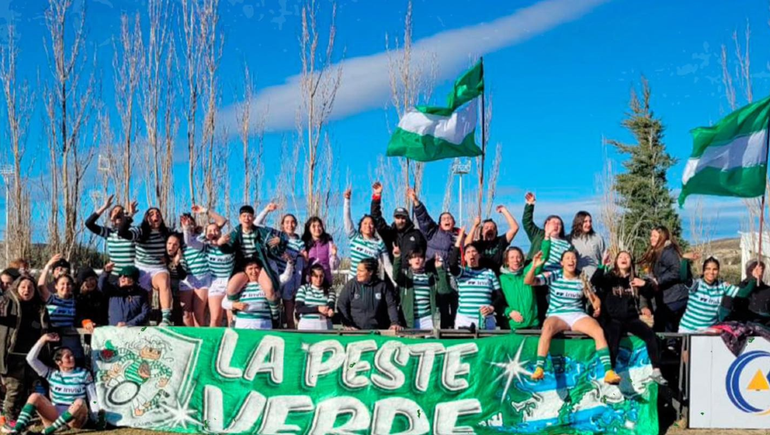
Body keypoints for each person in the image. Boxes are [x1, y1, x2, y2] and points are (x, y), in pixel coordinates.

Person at [524, 250, 620, 384]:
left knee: (598, 330)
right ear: (561, 263)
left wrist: (597, 307)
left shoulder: (582, 277)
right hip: (557, 314)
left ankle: (608, 371)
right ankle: (539, 368)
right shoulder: (554, 275)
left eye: (574, 258)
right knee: (547, 328)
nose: (571, 260)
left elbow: (594, 299)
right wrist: (533, 266)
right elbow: (529, 281)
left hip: (577, 314)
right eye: (568, 258)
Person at [591, 251, 667, 385]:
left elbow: (649, 293)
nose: (624, 259)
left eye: (627, 257)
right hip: (613, 318)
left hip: (630, 318)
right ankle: (610, 371)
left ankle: (656, 370)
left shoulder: (635, 279)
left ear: (631, 262)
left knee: (651, 335)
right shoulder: (610, 277)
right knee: (613, 338)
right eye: (620, 257)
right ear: (616, 262)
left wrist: (643, 284)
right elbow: (595, 281)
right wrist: (602, 266)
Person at [2, 334, 100, 435]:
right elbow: (31, 359)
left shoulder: (83, 373)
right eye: (68, 357)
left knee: (79, 402)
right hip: (55, 414)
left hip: (75, 418)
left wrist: (96, 417)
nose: (72, 358)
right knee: (35, 396)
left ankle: (46, 432)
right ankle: (16, 430)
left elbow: (92, 396)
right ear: (58, 362)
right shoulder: (51, 374)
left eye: (72, 355)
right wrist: (42, 340)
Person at [219, 205, 287, 317]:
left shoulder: (260, 231)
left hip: (259, 264)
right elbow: (228, 249)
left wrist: (281, 241)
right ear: (240, 218)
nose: (247, 218)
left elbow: (281, 238)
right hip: (243, 266)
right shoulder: (236, 232)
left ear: (253, 218)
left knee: (269, 289)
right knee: (231, 288)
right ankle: (236, 314)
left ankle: (275, 317)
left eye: (249, 216)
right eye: (244, 216)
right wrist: (220, 244)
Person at [0, 277, 48, 428]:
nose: (27, 290)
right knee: (14, 388)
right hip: (12, 354)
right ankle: (8, 420)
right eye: (23, 287)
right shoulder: (7, 302)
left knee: (29, 388)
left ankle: (22, 420)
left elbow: (46, 326)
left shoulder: (39, 307)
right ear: (16, 287)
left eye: (30, 287)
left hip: (33, 355)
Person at [118, 204, 174, 326]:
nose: (155, 216)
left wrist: (170, 258)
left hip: (158, 268)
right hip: (142, 268)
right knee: (144, 295)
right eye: (151, 214)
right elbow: (122, 233)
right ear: (146, 218)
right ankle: (144, 320)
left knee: (164, 281)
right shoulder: (140, 231)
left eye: (157, 214)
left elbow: (179, 243)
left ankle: (166, 318)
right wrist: (129, 216)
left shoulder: (167, 232)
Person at [256, 203, 306, 329]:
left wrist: (297, 285)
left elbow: (299, 266)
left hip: (290, 281)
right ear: (282, 224)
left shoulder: (300, 242)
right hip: (276, 278)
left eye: (293, 222)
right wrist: (266, 209)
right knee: (275, 313)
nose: (290, 224)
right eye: (287, 222)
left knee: (290, 316)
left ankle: (291, 341)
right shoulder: (276, 234)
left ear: (296, 224)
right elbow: (256, 224)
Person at [679, 256, 759, 333]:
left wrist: (754, 278)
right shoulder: (696, 284)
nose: (711, 272)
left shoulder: (722, 286)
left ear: (718, 271)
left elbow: (743, 293)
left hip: (707, 331)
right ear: (703, 271)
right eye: (708, 269)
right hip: (688, 330)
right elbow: (684, 278)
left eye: (715, 269)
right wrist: (685, 260)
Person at [184, 206, 233, 327]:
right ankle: (210, 342)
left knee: (231, 317)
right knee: (215, 318)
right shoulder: (205, 245)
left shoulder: (229, 242)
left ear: (220, 231)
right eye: (209, 231)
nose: (213, 232)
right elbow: (189, 242)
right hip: (215, 282)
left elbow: (222, 221)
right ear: (205, 234)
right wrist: (186, 228)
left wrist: (205, 211)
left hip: (231, 281)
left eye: (216, 230)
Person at [448, 228, 501, 330]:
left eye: (474, 251)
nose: (471, 254)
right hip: (465, 320)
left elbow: (499, 296)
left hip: (486, 319)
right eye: (468, 252)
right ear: (465, 257)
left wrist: (492, 307)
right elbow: (452, 265)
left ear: (479, 255)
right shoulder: (462, 272)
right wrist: (459, 241)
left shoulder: (489, 273)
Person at [640, 226, 689, 333]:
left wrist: (659, 280)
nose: (651, 238)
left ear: (662, 237)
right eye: (651, 235)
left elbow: (677, 271)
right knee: (668, 326)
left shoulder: (667, 252)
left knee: (660, 322)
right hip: (669, 297)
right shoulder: (659, 252)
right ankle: (670, 346)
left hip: (675, 297)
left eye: (654, 236)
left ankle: (666, 347)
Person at [222, 256, 293, 330]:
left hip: (263, 325)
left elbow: (286, 277)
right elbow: (224, 303)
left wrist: (290, 263)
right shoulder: (240, 287)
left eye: (256, 268)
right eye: (250, 268)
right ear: (245, 271)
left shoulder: (267, 284)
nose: (254, 272)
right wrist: (234, 305)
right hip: (243, 326)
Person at [392, 246, 450, 330]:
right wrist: (397, 258)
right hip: (409, 321)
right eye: (414, 257)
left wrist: (439, 269)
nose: (417, 259)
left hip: (428, 319)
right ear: (409, 261)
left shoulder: (431, 277)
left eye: (420, 257)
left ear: (424, 260)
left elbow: (445, 290)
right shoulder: (405, 276)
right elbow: (396, 276)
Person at [497, 241, 551, 330]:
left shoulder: (527, 273)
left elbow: (542, 257)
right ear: (506, 261)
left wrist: (547, 238)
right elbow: (496, 302)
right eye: (512, 257)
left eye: (518, 257)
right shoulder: (501, 279)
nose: (516, 260)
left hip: (533, 325)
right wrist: (508, 312)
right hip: (513, 327)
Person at [337, 258, 401, 331]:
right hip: (356, 331)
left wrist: (395, 322)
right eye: (357, 270)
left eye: (361, 271)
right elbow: (341, 304)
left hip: (378, 331)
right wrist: (347, 324)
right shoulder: (351, 285)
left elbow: (391, 305)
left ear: (370, 272)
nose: (357, 273)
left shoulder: (382, 286)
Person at [344, 188, 394, 281]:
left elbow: (387, 266)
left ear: (374, 227)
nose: (368, 226)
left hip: (371, 283)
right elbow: (347, 219)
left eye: (371, 224)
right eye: (365, 223)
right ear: (361, 227)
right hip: (354, 282)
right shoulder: (354, 237)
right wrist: (347, 200)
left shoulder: (379, 244)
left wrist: (395, 283)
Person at [84, 194, 137, 277]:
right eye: (115, 211)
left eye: (121, 212)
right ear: (111, 217)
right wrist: (105, 207)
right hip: (115, 275)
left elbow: (123, 231)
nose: (118, 213)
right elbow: (89, 223)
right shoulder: (109, 233)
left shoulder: (133, 231)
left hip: (130, 275)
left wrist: (129, 215)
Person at [370, 182, 427, 259]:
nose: (400, 220)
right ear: (394, 218)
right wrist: (377, 196)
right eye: (398, 217)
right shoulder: (389, 233)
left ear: (407, 218)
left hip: (411, 270)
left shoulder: (416, 234)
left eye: (403, 218)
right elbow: (376, 217)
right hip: (392, 270)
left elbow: (424, 253)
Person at [465, 205, 520, 273]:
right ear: (482, 232)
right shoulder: (478, 244)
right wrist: (475, 225)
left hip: (497, 276)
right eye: (486, 228)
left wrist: (504, 210)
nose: (490, 229)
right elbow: (467, 244)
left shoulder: (500, 241)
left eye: (493, 228)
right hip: (481, 276)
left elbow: (515, 228)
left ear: (496, 232)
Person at [180, 213, 211, 327]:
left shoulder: (200, 237)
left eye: (191, 223)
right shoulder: (180, 240)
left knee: (198, 312)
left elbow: (190, 241)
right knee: (186, 313)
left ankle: (201, 337)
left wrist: (205, 211)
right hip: (187, 279)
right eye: (186, 223)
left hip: (202, 278)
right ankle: (190, 337)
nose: (189, 226)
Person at [295, 264, 336, 330]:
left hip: (324, 326)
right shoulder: (303, 288)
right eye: (315, 276)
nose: (318, 279)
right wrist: (317, 309)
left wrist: (330, 311)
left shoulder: (330, 290)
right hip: (306, 326)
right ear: (311, 277)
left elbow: (331, 304)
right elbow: (299, 308)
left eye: (321, 276)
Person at [301, 217, 339, 288]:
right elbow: (301, 266)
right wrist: (305, 261)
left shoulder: (328, 243)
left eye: (319, 226)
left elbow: (333, 267)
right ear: (308, 228)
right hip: (308, 282)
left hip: (325, 280)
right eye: (314, 226)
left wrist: (334, 255)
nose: (317, 228)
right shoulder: (304, 244)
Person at [569, 211, 606, 279]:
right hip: (577, 277)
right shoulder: (571, 239)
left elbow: (604, 259)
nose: (588, 224)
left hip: (595, 277)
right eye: (585, 221)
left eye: (590, 221)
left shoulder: (597, 238)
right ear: (578, 222)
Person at [164, 232, 187, 326]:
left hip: (177, 289)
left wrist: (177, 263)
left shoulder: (181, 258)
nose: (171, 246)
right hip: (164, 288)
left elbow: (183, 276)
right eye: (169, 243)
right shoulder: (161, 256)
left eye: (175, 244)